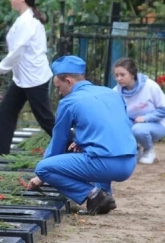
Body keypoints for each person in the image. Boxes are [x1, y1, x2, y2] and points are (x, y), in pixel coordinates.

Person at [28, 55, 137, 215]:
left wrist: (41, 176)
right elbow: (114, 127)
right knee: (91, 152)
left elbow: (58, 143)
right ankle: (103, 198)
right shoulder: (111, 93)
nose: (59, 92)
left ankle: (93, 194)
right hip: (129, 162)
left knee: (43, 168)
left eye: (59, 87)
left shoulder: (69, 102)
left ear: (69, 81)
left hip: (105, 164)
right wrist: (82, 140)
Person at [0, 0, 55, 156]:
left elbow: (17, 52)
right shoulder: (24, 20)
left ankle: (75, 145)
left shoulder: (28, 22)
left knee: (46, 120)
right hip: (23, 79)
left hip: (34, 79)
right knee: (5, 113)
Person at [113, 57, 165, 165]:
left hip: (158, 124)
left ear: (132, 74)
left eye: (122, 75)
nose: (118, 78)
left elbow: (163, 109)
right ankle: (135, 150)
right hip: (132, 123)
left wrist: (146, 118)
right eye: (116, 75)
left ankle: (149, 150)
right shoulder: (116, 91)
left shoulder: (150, 86)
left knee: (138, 129)